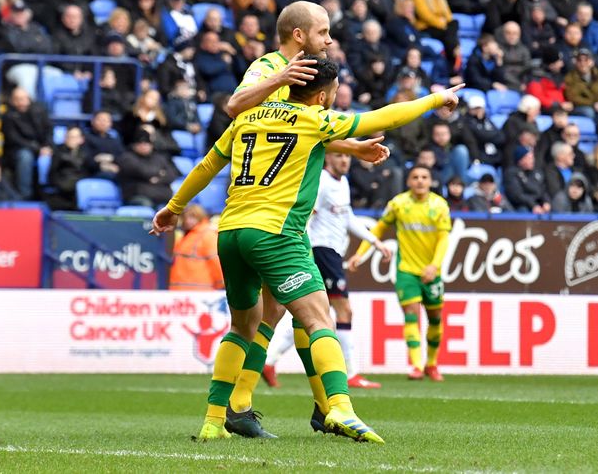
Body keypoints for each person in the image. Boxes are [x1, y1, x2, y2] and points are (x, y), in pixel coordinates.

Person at [152, 53, 462, 442]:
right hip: (275, 233)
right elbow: (386, 117)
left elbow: (205, 167)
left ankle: (214, 420)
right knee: (319, 319)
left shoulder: (248, 116)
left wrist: (173, 208)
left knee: (243, 327)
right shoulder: (315, 119)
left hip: (230, 232)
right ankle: (339, 408)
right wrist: (436, 98)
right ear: (322, 96)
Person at [263, 152, 391, 390]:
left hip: (331, 253)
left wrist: (374, 242)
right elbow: (305, 218)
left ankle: (269, 361)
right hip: (321, 251)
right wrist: (304, 251)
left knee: (311, 314)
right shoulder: (320, 182)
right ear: (328, 158)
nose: (345, 160)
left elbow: (347, 216)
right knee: (344, 311)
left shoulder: (342, 182)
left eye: (347, 157)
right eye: (339, 156)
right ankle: (350, 373)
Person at [347, 165, 450, 381]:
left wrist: (434, 266)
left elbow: (443, 239)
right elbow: (379, 228)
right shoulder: (398, 204)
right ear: (408, 181)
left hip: (432, 271)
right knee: (411, 314)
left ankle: (432, 363)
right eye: (415, 177)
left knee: (435, 318)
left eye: (424, 177)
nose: (420, 181)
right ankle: (417, 365)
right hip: (406, 270)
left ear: (430, 181)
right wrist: (360, 254)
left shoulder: (440, 205)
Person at [0, 86, 51, 200]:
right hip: (17, 150)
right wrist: (37, 149)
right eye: (17, 99)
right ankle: (24, 195)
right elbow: (13, 139)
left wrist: (47, 146)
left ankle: (49, 194)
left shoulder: (40, 111)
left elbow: (48, 131)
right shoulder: (8, 116)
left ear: (28, 99)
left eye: (23, 98)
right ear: (12, 101)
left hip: (40, 147)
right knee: (25, 156)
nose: (21, 102)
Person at [169, 204, 223, 291]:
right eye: (186, 217)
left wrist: (221, 284)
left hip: (200, 291)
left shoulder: (207, 234)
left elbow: (216, 261)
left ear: (200, 217)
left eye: (192, 217)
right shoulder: (186, 236)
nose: (188, 221)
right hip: (181, 290)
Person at [504, 145, 551, 213]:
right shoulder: (511, 173)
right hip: (521, 205)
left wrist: (546, 202)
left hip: (537, 204)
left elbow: (543, 190)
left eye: (532, 157)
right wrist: (533, 205)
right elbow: (516, 195)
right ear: (520, 160)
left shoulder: (537, 173)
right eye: (529, 158)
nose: (532, 160)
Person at [564, 48, 598, 120]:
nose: (583, 63)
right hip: (579, 107)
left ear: (592, 62)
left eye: (586, 60)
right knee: (589, 112)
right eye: (579, 60)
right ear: (575, 62)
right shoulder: (570, 77)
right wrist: (593, 104)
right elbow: (573, 97)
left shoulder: (596, 75)